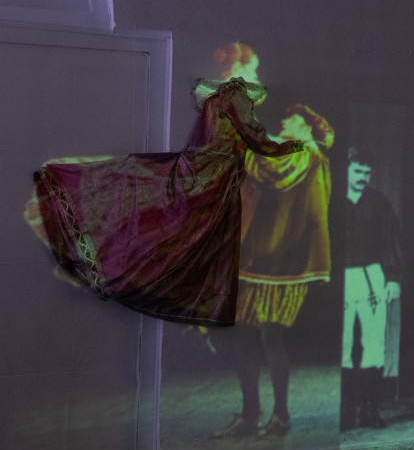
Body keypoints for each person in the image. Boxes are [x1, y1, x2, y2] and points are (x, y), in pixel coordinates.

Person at [33, 78, 303, 325]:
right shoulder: (235, 96)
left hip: (200, 168)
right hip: (214, 175)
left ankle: (116, 267)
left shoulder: (215, 101)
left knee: (170, 223)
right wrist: (289, 147)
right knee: (186, 235)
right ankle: (120, 272)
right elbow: (255, 136)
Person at [212, 104, 334, 438]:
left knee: (269, 334)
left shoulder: (305, 153)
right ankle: (250, 414)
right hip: (259, 261)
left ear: (307, 128)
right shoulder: (291, 151)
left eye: (292, 118)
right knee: (244, 334)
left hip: (286, 263)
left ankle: (281, 415)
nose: (283, 120)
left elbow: (270, 172)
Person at [337, 146, 402, 430]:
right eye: (357, 171)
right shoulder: (333, 200)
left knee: (374, 345)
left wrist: (393, 278)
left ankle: (369, 410)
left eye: (367, 172)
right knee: (343, 345)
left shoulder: (379, 202)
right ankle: (345, 412)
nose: (362, 177)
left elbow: (392, 241)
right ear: (347, 169)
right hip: (341, 278)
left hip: (372, 276)